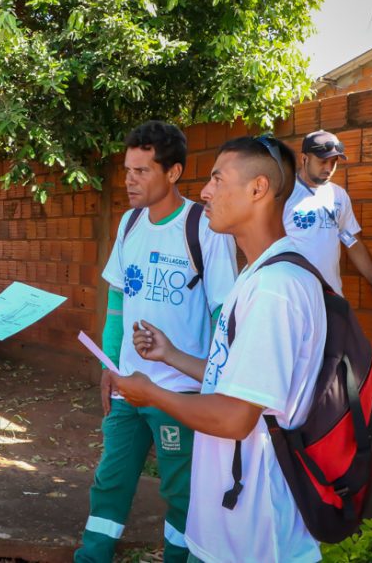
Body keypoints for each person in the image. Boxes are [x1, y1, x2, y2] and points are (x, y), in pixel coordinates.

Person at [115, 136, 327, 562]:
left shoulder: (274, 289)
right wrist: (171, 355)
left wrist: (152, 393)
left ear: (257, 189)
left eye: (217, 178)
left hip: (257, 533)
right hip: (233, 520)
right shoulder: (257, 273)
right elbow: (233, 380)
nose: (205, 192)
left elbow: (235, 418)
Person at [75, 121, 237, 562]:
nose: (129, 180)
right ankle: (92, 556)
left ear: (174, 172)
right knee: (110, 480)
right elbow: (116, 302)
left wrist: (218, 382)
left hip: (179, 393)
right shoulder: (129, 223)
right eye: (127, 170)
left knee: (181, 493)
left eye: (142, 171)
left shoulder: (203, 227)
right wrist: (110, 368)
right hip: (128, 388)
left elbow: (224, 312)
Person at [284, 130, 372, 316]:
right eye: (323, 161)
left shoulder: (338, 195)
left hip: (330, 299)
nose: (329, 168)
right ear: (304, 159)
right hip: (292, 300)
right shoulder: (284, 194)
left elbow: (352, 242)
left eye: (334, 162)